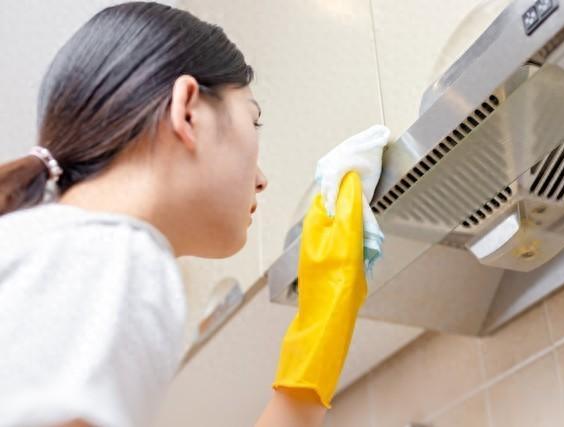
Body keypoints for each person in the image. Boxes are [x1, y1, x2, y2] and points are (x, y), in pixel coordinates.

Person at [0, 2, 367, 426]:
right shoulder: (114, 252)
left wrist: (314, 354)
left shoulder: (59, 247)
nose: (261, 180)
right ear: (188, 111)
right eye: (253, 120)